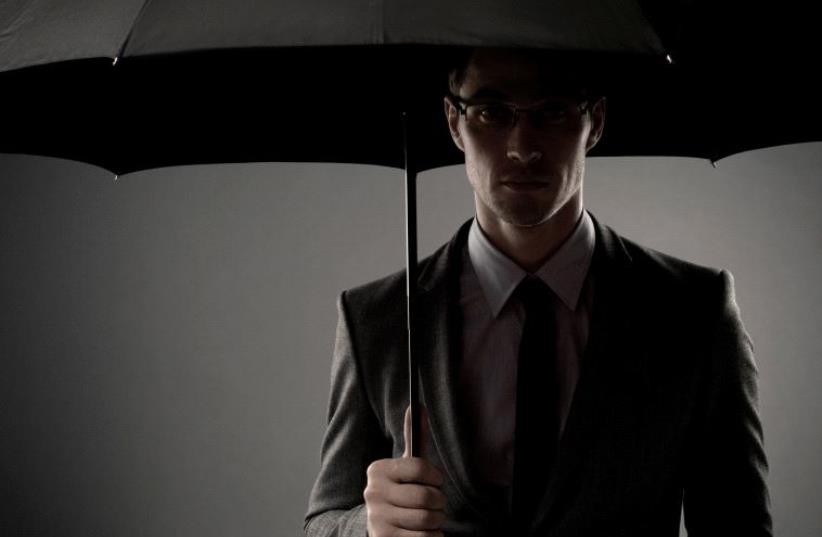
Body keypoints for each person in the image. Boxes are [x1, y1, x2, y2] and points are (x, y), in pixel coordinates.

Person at [304, 47, 772, 536]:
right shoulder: (377, 319)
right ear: (452, 122)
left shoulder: (692, 311)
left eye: (552, 111)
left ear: (596, 121)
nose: (522, 147)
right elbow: (323, 522)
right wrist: (367, 526)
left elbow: (738, 525)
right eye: (490, 112)